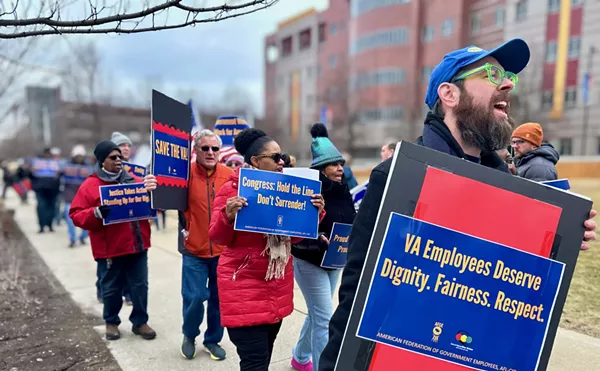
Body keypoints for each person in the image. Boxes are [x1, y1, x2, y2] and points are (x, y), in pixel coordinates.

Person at [319, 39, 598, 371]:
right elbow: (357, 298)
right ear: (449, 94)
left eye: (508, 76)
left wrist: (554, 244)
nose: (507, 83)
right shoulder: (396, 178)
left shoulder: (514, 190)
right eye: (493, 74)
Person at [208, 128, 325, 371]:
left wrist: (314, 213)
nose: (282, 162)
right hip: (244, 288)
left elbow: (295, 239)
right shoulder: (232, 190)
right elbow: (218, 237)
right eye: (275, 157)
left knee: (263, 358)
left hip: (276, 287)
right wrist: (227, 217)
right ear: (255, 161)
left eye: (281, 156)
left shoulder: (289, 189)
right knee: (254, 363)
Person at [145, 129, 233, 361]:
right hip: (193, 249)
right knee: (194, 296)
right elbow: (158, 196)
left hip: (223, 250)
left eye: (215, 148)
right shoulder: (182, 174)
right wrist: (152, 185)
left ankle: (212, 340)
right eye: (205, 148)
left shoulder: (230, 174)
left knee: (218, 299)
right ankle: (189, 335)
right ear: (195, 151)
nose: (211, 152)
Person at [69, 140, 156, 341]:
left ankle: (140, 322)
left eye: (120, 157)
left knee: (140, 286)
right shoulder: (90, 185)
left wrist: (153, 196)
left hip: (138, 244)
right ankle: (111, 322)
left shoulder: (135, 180)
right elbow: (75, 214)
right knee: (111, 288)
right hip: (110, 249)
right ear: (101, 162)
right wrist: (96, 213)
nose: (119, 160)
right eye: (113, 157)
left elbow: (153, 207)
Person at [290, 123, 356, 371]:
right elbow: (297, 228)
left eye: (341, 163)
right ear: (321, 167)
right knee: (324, 319)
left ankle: (300, 356)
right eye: (334, 164)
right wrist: (317, 236)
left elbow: (349, 217)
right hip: (309, 261)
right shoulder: (308, 189)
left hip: (335, 260)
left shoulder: (343, 187)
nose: (340, 168)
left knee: (319, 314)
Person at [62, 145, 90, 247]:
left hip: (84, 198)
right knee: (70, 220)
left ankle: (83, 237)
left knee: (87, 219)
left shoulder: (88, 167)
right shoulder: (65, 165)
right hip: (70, 197)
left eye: (80, 156)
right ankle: (72, 239)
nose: (79, 158)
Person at [30, 148, 61, 233]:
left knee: (51, 208)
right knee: (41, 207)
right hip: (40, 189)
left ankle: (49, 224)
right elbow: (31, 174)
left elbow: (59, 175)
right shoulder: (37, 162)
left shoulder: (55, 162)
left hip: (52, 189)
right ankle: (42, 226)